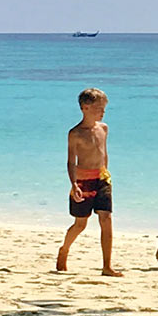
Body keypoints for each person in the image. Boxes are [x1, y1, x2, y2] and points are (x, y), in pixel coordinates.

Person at [56, 88, 120, 275]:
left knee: (106, 219)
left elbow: (104, 153)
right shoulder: (75, 133)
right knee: (80, 224)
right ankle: (64, 249)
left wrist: (106, 173)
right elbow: (70, 161)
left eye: (104, 109)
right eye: (98, 108)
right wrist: (74, 184)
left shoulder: (104, 128)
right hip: (83, 182)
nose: (102, 112)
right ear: (85, 108)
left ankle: (107, 266)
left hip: (102, 179)